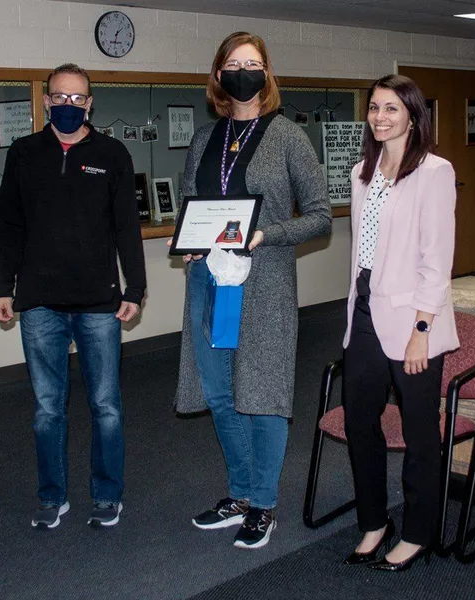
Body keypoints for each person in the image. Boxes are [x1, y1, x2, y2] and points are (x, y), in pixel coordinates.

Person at [171, 32, 331, 550]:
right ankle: (239, 494)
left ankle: (263, 503)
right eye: (234, 65)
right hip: (208, 281)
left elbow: (320, 216)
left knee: (263, 395)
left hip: (263, 283)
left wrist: (267, 233)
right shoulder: (205, 138)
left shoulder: (288, 137)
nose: (244, 73)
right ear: (219, 75)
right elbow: (191, 203)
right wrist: (188, 240)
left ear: (267, 73)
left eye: (253, 63)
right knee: (220, 393)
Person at [0, 63, 147, 530]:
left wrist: (135, 288)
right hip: (39, 302)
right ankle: (52, 496)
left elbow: (126, 227)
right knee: (47, 409)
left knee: (106, 406)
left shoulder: (112, 153)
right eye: (59, 97)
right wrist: (2, 287)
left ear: (90, 104)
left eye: (77, 98)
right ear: (46, 102)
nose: (68, 105)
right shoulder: (24, 153)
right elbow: (9, 225)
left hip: (99, 302)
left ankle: (107, 495)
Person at [340, 74, 458, 573]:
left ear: (412, 115)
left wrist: (421, 331)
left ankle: (417, 532)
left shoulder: (434, 172)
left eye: (391, 108)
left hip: (414, 320)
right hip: (365, 311)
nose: (380, 117)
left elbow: (437, 259)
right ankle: (374, 522)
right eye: (374, 108)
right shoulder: (362, 171)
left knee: (419, 432)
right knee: (359, 423)